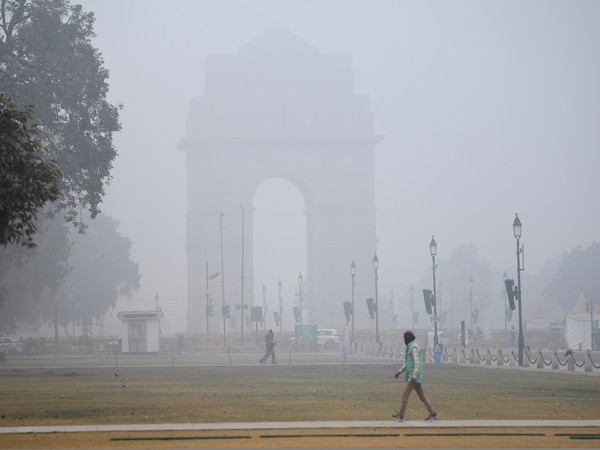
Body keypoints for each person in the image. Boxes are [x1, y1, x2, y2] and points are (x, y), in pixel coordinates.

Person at [391, 330, 438, 422]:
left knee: (405, 394)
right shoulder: (411, 347)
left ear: (408, 338)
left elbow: (417, 363)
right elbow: (408, 363)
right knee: (422, 396)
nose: (404, 340)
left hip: (413, 377)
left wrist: (414, 377)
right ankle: (432, 413)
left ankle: (400, 415)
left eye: (404, 338)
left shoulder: (413, 348)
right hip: (414, 377)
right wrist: (399, 372)